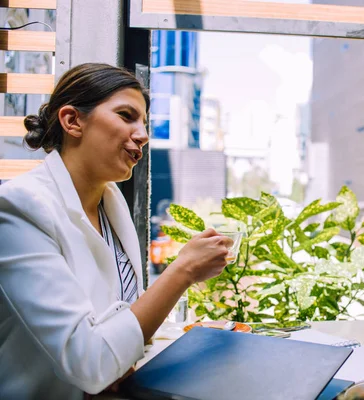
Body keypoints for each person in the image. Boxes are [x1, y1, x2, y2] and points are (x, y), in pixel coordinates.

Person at [0, 63, 233, 399]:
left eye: (144, 123)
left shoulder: (111, 204)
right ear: (72, 121)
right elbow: (89, 363)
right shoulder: (18, 207)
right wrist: (182, 271)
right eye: (127, 115)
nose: (143, 134)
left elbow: (123, 323)